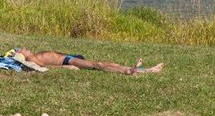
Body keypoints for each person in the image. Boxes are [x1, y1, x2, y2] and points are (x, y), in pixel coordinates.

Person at [12, 47, 163, 75]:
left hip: (70, 59)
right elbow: (43, 67)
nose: (24, 48)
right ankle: (128, 70)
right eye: (21, 49)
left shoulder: (33, 56)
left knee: (99, 63)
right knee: (98, 65)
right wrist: (65, 67)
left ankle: (147, 70)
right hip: (69, 61)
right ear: (21, 56)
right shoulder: (31, 59)